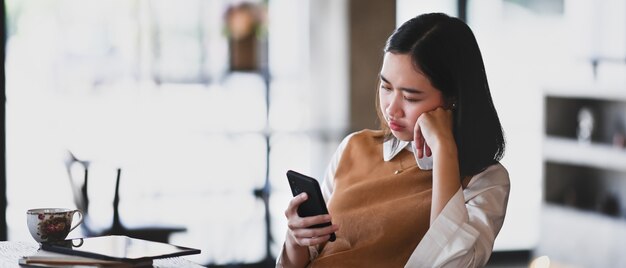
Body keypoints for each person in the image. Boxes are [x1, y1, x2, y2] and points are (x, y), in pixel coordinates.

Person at [277, 12, 510, 267]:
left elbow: (451, 264)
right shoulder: (353, 148)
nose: (392, 109)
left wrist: (444, 151)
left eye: (411, 97)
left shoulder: (484, 181)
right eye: (386, 87)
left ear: (452, 98)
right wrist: (295, 238)